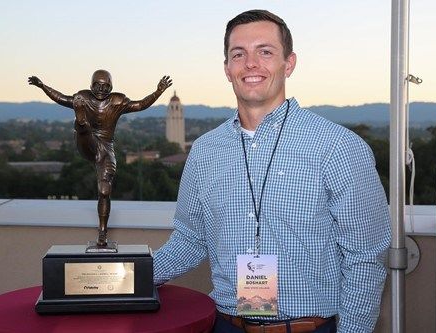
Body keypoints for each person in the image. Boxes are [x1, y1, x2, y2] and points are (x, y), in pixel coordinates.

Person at [153, 9, 391, 333]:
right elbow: (190, 240)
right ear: (227, 69)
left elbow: (366, 259)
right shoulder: (205, 151)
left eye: (265, 52)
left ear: (289, 63)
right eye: (239, 54)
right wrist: (122, 277)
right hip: (226, 326)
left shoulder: (338, 147)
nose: (251, 64)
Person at [28, 71, 172, 246]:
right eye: (97, 85)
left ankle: (102, 231)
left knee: (104, 191)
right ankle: (81, 122)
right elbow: (61, 98)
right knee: (83, 127)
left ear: (111, 87)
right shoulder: (83, 98)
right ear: (91, 86)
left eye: (105, 86)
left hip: (106, 148)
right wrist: (42, 86)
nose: (101, 89)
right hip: (87, 142)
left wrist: (158, 91)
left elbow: (140, 105)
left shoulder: (117, 102)